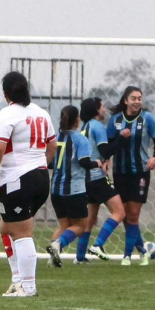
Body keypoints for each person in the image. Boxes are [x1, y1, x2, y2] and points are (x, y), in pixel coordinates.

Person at [0, 71, 57, 297]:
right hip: (40, 178)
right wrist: (40, 163)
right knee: (7, 228)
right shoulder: (41, 113)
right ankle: (17, 280)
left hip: (17, 179)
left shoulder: (7, 114)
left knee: (21, 232)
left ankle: (28, 287)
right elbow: (53, 146)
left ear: (6, 93)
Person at [106, 86, 155, 266]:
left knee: (133, 215)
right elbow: (108, 147)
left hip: (140, 172)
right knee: (124, 215)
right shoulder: (115, 120)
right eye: (133, 98)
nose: (137, 101)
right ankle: (143, 251)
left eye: (139, 98)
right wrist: (119, 141)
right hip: (120, 172)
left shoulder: (147, 119)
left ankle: (127, 256)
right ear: (126, 101)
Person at [45, 105, 103, 268]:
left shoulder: (56, 138)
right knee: (81, 225)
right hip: (74, 190)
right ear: (77, 120)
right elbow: (84, 162)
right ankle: (57, 245)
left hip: (56, 190)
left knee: (64, 225)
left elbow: (49, 163)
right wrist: (97, 163)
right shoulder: (80, 139)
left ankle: (52, 260)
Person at [76, 97, 126, 264]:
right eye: (102, 106)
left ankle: (80, 257)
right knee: (119, 212)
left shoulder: (84, 127)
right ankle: (98, 245)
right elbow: (105, 151)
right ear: (96, 110)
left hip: (85, 178)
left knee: (90, 220)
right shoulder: (98, 127)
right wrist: (122, 138)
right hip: (97, 177)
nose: (104, 109)